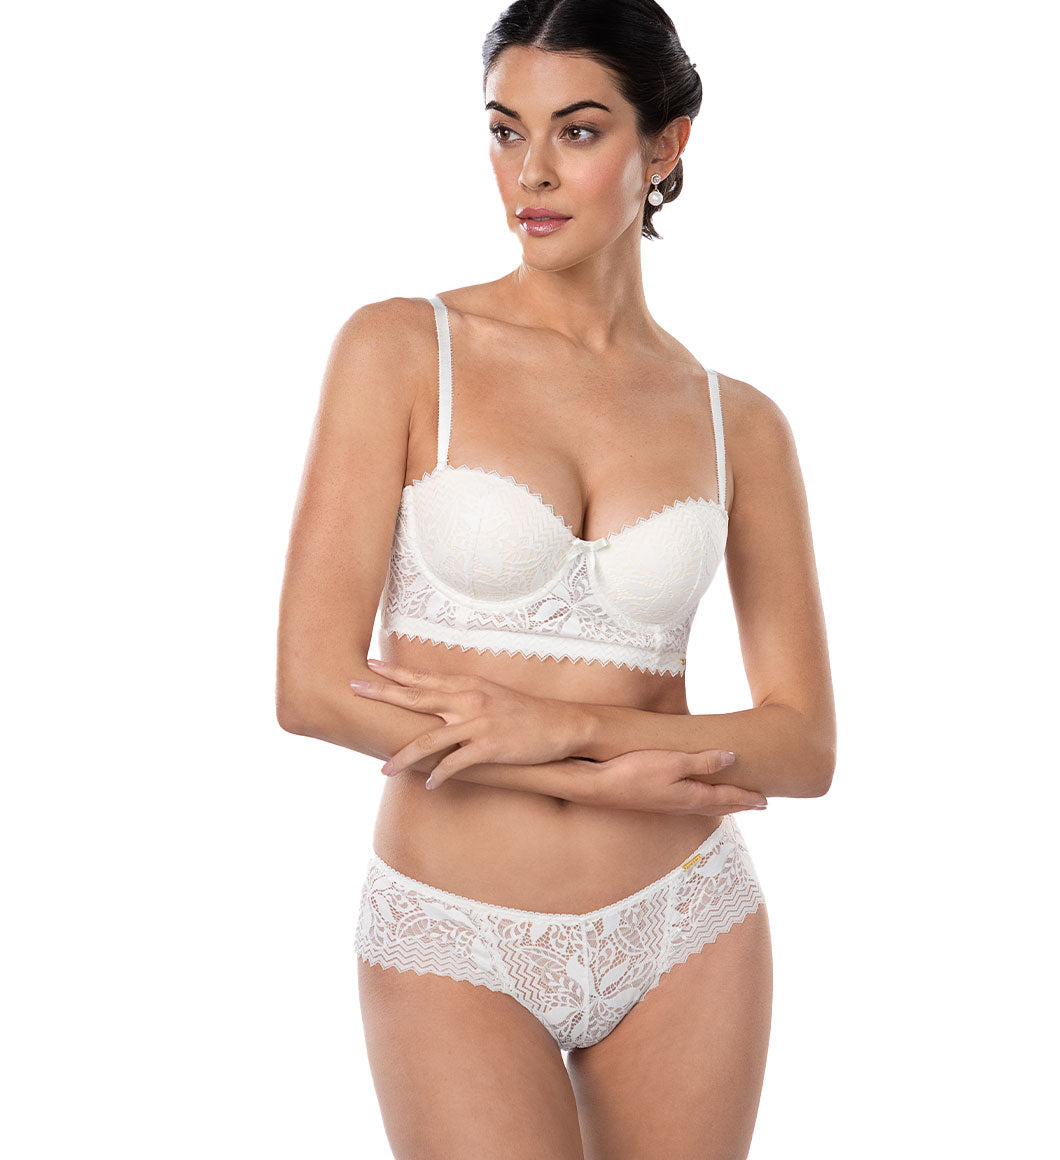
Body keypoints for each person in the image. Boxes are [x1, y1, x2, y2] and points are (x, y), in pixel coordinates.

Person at [276, 1, 836, 1155]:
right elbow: (310, 685)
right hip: (454, 931)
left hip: (686, 922)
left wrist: (568, 729)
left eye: (576, 131)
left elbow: (802, 744)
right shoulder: (402, 349)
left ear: (664, 145)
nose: (527, 171)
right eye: (503, 129)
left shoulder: (738, 423)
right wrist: (602, 774)